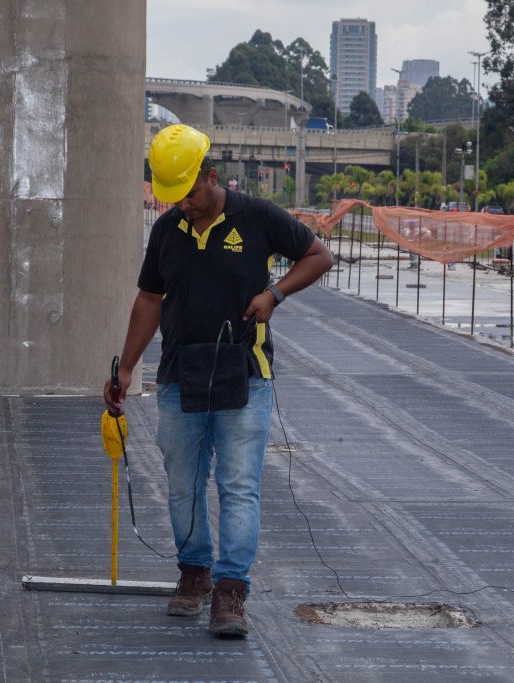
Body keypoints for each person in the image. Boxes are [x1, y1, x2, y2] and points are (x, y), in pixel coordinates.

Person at [103, 124, 332, 638]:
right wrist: (125, 367)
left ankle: (231, 589)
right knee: (183, 484)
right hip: (179, 376)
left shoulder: (257, 218)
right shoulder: (167, 232)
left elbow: (319, 255)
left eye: (188, 192)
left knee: (238, 486)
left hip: (243, 377)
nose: (181, 203)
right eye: (174, 196)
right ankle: (194, 571)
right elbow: (148, 300)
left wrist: (275, 294)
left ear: (210, 176)